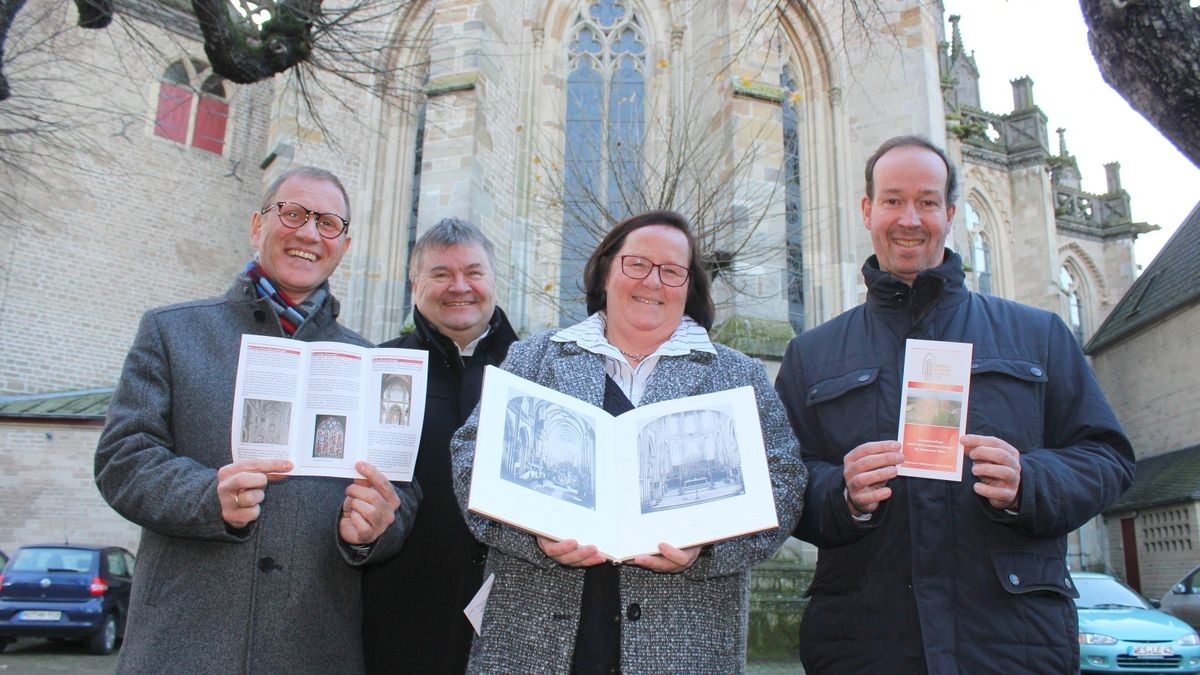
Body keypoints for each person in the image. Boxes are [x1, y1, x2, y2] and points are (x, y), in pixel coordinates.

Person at [775, 135, 1135, 673]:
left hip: (1011, 643)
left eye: (926, 202)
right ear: (868, 210)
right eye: (893, 200)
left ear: (949, 213)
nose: (909, 219)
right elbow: (781, 481)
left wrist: (1030, 482)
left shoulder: (1038, 335)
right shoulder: (811, 354)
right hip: (866, 642)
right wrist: (841, 494)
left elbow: (1109, 458)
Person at [449, 210, 808, 673]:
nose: (653, 282)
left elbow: (785, 482)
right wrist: (531, 534)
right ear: (605, 272)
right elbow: (470, 455)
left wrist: (708, 550)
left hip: (684, 645)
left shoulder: (736, 375)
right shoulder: (533, 359)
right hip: (532, 642)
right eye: (636, 264)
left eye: (672, 271)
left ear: (689, 286)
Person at [94, 166, 420, 673]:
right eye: (292, 213)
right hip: (184, 646)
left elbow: (400, 488)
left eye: (328, 223)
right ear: (257, 226)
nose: (309, 233)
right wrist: (207, 496)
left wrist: (379, 526)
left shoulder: (370, 362)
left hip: (312, 649)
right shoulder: (172, 331)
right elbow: (123, 458)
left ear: (343, 244)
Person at [362, 218, 518, 674]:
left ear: (493, 281)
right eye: (441, 274)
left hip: (513, 629)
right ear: (414, 285)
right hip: (401, 623)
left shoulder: (535, 375)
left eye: (474, 272)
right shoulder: (377, 368)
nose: (460, 287)